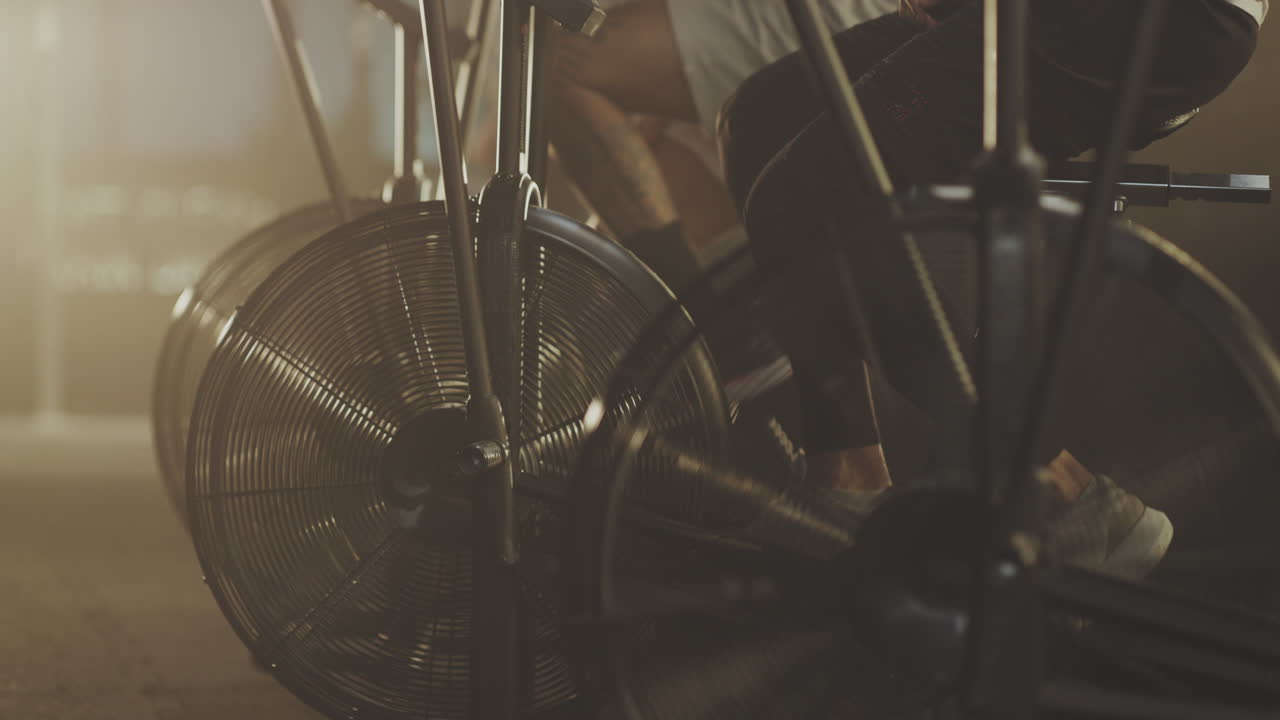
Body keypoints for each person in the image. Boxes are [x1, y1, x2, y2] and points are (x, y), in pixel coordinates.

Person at [717, 0, 1265, 574]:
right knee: (768, 112)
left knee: (802, 195)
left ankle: (1070, 495)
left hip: (1145, 18)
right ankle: (846, 478)